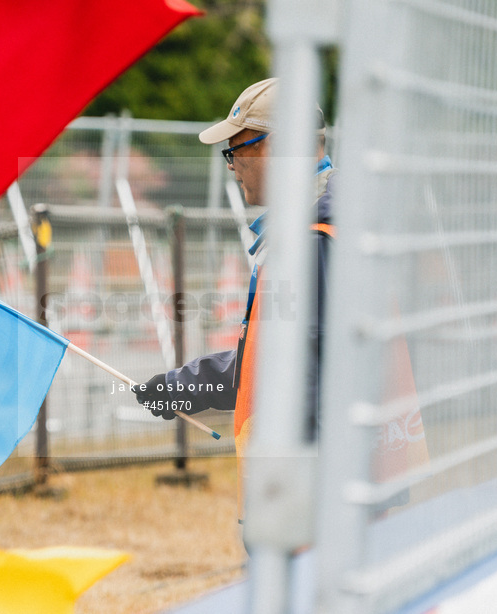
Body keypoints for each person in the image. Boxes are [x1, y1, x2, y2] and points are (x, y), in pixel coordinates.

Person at [132, 78, 335, 522]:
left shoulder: (313, 240)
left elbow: (308, 384)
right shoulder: (317, 229)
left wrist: (290, 508)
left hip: (305, 507)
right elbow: (273, 362)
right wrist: (183, 387)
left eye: (239, 148)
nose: (231, 164)